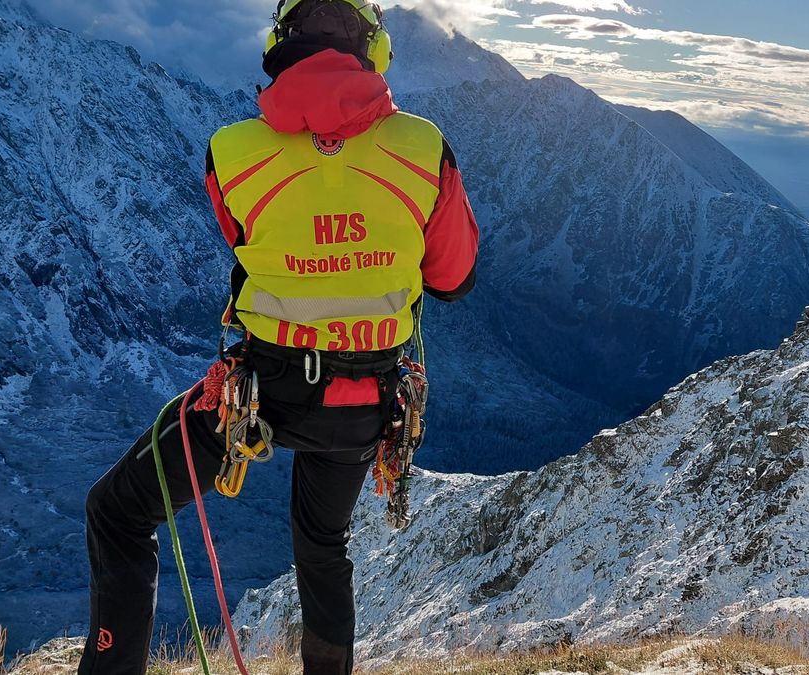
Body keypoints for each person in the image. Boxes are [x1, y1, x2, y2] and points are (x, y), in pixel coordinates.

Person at [76, 0, 479, 672]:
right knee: (323, 544)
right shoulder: (424, 148)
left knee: (118, 509)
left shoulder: (231, 154)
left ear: (278, 44)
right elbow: (452, 277)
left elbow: (247, 239)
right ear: (374, 48)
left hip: (261, 394)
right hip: (368, 402)